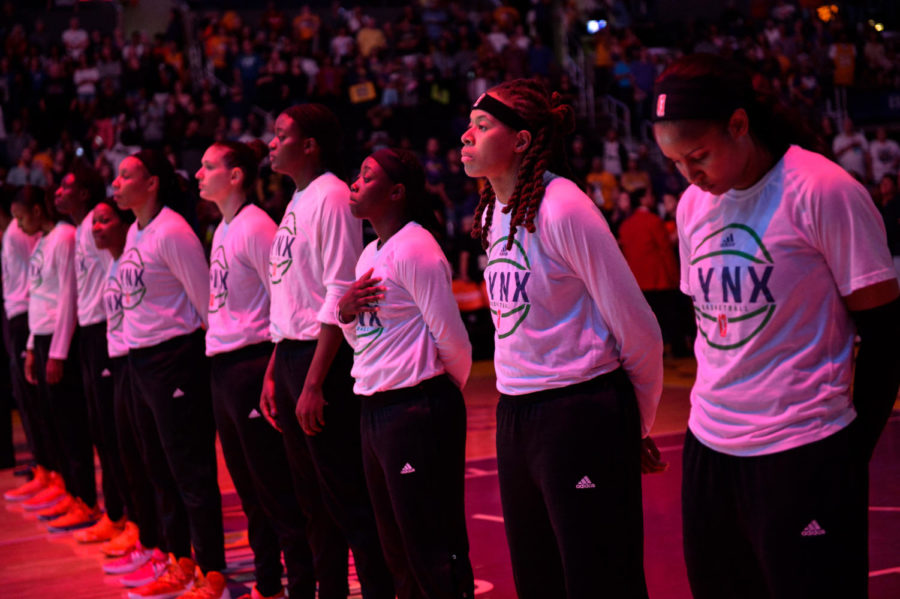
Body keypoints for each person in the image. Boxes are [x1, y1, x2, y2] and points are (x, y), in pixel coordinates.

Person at [652, 53, 900, 599]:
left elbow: (886, 331)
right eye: (674, 163)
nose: (688, 176)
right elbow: (713, 332)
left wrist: (850, 451)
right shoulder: (694, 205)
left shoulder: (822, 191)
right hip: (709, 449)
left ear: (739, 125)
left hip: (802, 449)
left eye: (698, 156)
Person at [461, 79, 665, 598]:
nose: (467, 136)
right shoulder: (495, 211)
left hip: (579, 409)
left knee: (599, 579)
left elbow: (638, 326)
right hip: (516, 413)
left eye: (482, 126)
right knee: (538, 577)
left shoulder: (563, 206)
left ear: (522, 141)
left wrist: (634, 425)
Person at [260, 103, 394, 598]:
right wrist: (276, 370)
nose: (271, 144)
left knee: (347, 499)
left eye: (280, 134)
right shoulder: (297, 199)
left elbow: (339, 294)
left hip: (325, 360)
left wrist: (314, 381)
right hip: (294, 356)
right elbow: (291, 295)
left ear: (310, 144)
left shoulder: (333, 196)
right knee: (312, 499)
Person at [338, 148, 475, 599]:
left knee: (430, 546)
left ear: (396, 192)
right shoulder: (370, 254)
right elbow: (367, 342)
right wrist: (345, 315)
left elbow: (452, 339)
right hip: (375, 409)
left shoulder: (416, 246)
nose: (354, 184)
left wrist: (435, 394)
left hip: (415, 408)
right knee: (395, 546)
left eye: (366, 176)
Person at [196, 140, 315, 599]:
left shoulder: (256, 228)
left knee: (274, 487)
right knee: (248, 488)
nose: (198, 175)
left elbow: (282, 300)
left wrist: (269, 372)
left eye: (208, 167)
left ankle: (301, 582)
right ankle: (268, 583)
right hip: (223, 367)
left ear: (236, 175)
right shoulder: (223, 228)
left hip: (251, 365)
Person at [111, 150, 224, 597]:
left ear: (152, 182)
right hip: (140, 362)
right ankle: (179, 560)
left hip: (175, 359)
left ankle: (213, 572)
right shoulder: (137, 231)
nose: (116, 184)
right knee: (157, 467)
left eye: (125, 176)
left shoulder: (173, 232)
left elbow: (205, 303)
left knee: (190, 470)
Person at [53, 161, 131, 542]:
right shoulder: (82, 229)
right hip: (91, 332)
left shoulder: (94, 228)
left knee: (114, 433)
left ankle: (124, 516)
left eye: (65, 187)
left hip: (106, 331)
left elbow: (115, 274)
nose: (57, 193)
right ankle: (117, 512)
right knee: (102, 430)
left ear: (84, 192)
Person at [15, 185, 99, 531]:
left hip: (61, 337)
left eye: (22, 217)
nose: (19, 225)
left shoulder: (65, 236)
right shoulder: (43, 241)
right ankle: (70, 492)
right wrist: (33, 345)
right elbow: (38, 294)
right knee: (54, 423)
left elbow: (68, 296)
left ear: (38, 210)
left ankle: (86, 499)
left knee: (71, 424)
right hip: (43, 335)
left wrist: (58, 351)